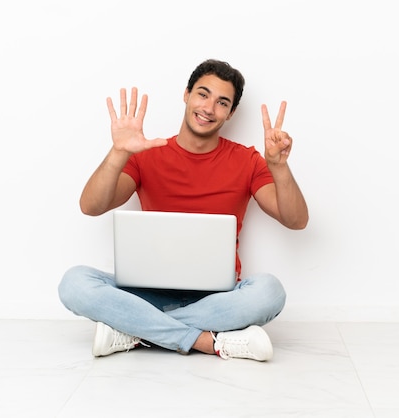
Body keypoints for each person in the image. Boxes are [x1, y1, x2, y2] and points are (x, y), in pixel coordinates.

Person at [58, 59, 308, 362]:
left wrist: (278, 167)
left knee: (270, 292)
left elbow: (296, 220)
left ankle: (136, 331)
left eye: (222, 102)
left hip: (219, 297)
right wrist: (119, 152)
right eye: (203, 94)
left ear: (230, 114)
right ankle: (206, 340)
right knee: (74, 283)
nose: (209, 107)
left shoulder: (248, 160)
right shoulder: (146, 154)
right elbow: (91, 206)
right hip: (147, 291)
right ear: (186, 94)